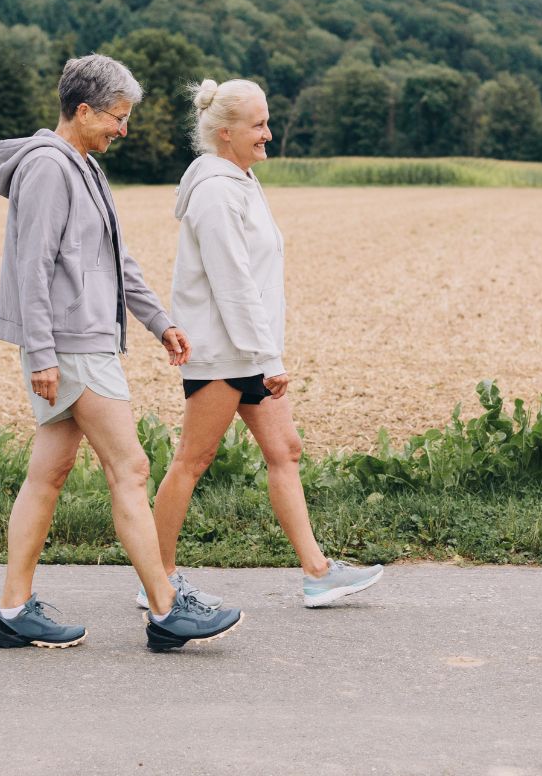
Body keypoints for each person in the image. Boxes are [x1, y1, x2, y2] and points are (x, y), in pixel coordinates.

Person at [0, 53, 242, 652]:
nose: (124, 129)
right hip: (73, 347)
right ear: (82, 110)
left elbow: (116, 261)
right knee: (130, 469)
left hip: (78, 343)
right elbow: (34, 267)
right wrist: (43, 353)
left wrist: (159, 322)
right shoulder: (51, 168)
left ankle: (12, 611)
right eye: (117, 117)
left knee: (47, 476)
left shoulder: (85, 166)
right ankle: (165, 609)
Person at [145, 78, 383, 609]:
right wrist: (268, 357)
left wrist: (266, 351)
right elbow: (232, 285)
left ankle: (318, 573)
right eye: (258, 125)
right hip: (223, 352)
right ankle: (157, 578)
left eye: (266, 121)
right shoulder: (213, 191)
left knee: (285, 451)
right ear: (224, 131)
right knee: (192, 460)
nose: (268, 133)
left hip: (249, 350)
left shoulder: (242, 181)